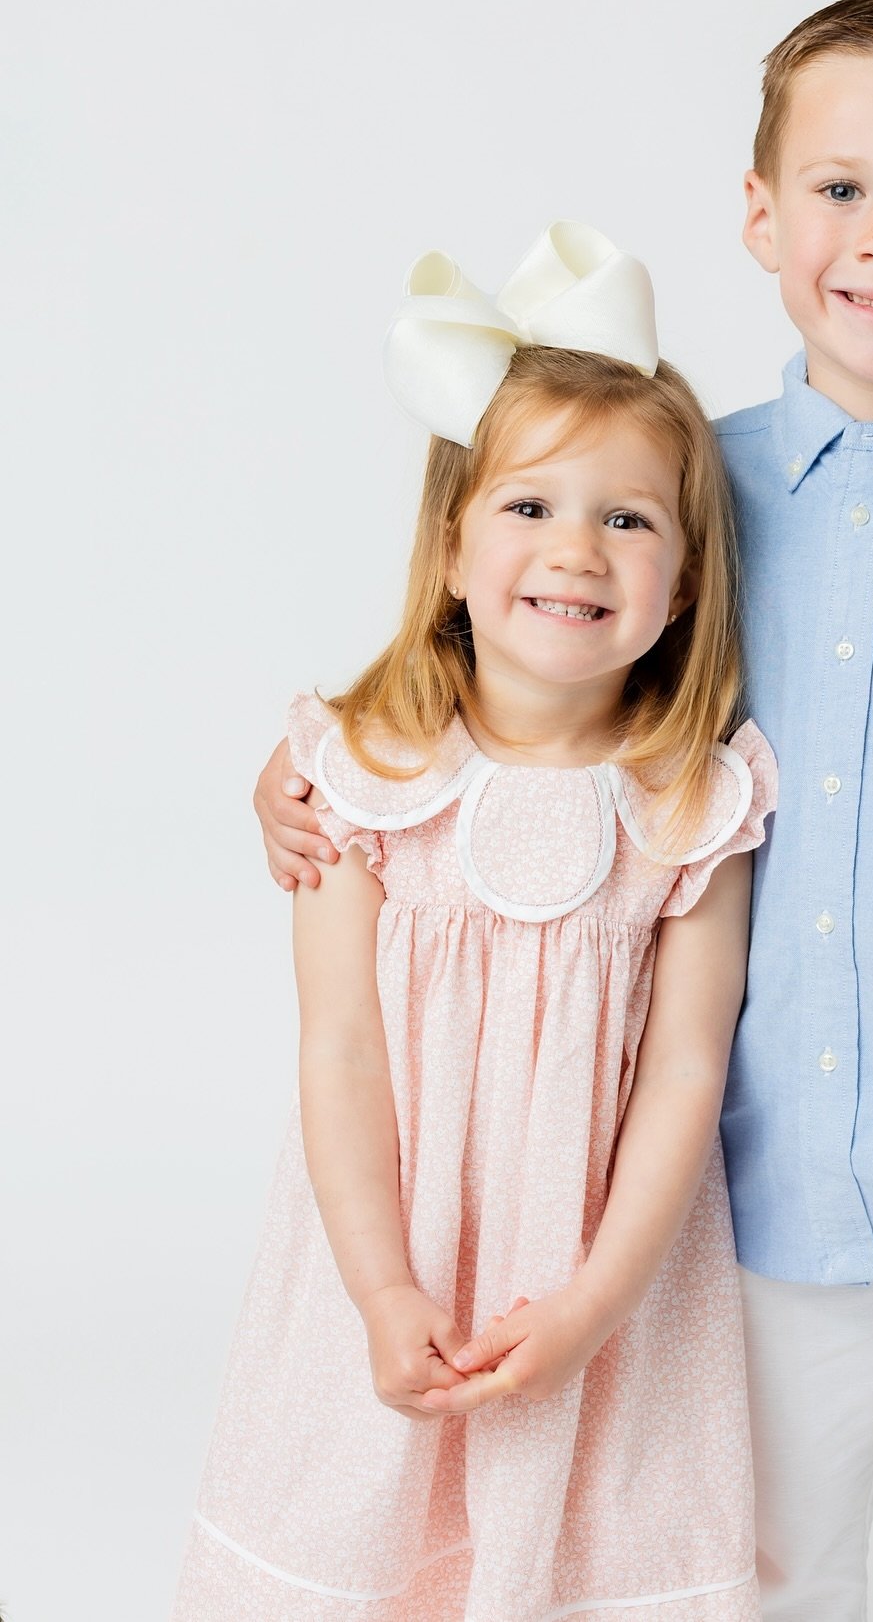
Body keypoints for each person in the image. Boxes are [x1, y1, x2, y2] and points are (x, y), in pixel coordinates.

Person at [256, 0, 873, 1620]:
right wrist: (301, 772)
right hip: (751, 1162)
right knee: (772, 1567)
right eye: (842, 188)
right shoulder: (676, 489)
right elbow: (511, 690)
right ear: (760, 214)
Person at [178, 224, 774, 1621]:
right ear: (450, 546)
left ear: (683, 581)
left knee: (578, 1553)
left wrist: (593, 1306)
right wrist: (385, 1292)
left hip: (602, 1275)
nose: (578, 550)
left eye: (628, 518)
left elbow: (689, 1071)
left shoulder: (695, 798)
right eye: (529, 508)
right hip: (389, 1248)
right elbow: (339, 1053)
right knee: (367, 1540)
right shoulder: (364, 780)